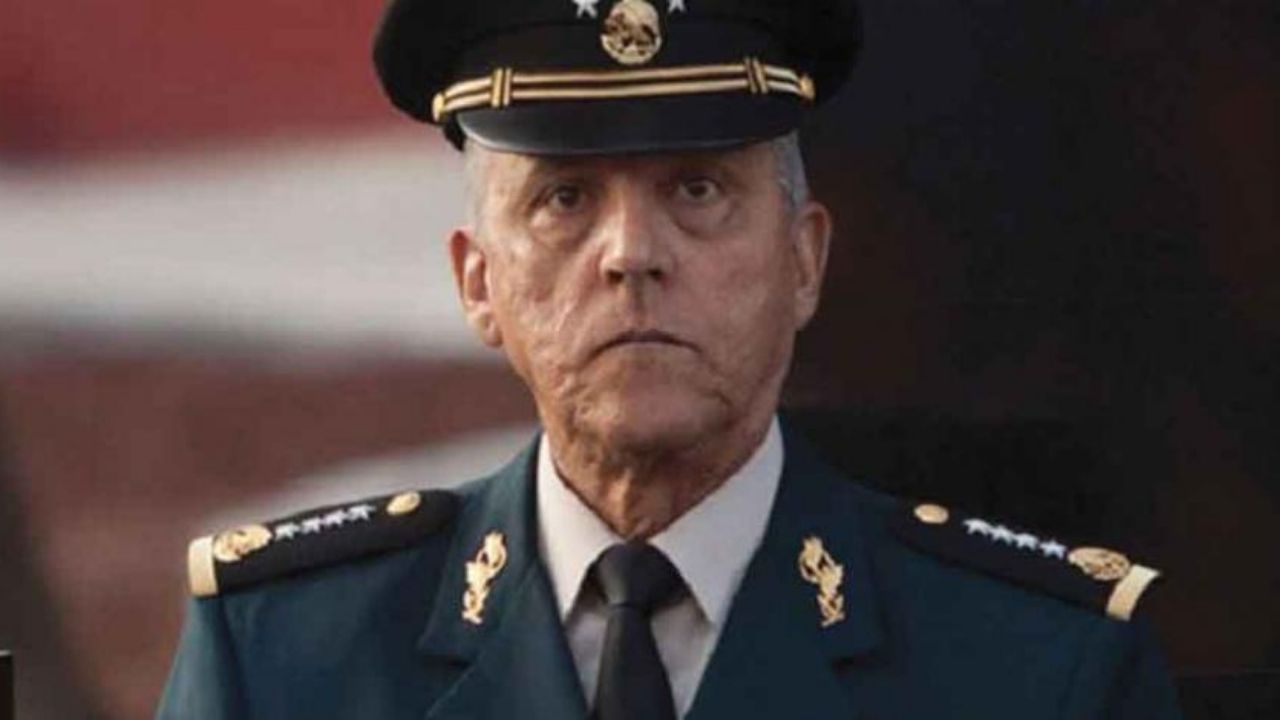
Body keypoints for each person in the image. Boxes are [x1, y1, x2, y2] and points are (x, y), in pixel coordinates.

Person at [157, 1, 1183, 718]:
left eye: (697, 190)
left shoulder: (1041, 670)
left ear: (804, 262)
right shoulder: (283, 657)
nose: (631, 253)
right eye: (564, 197)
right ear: (478, 282)